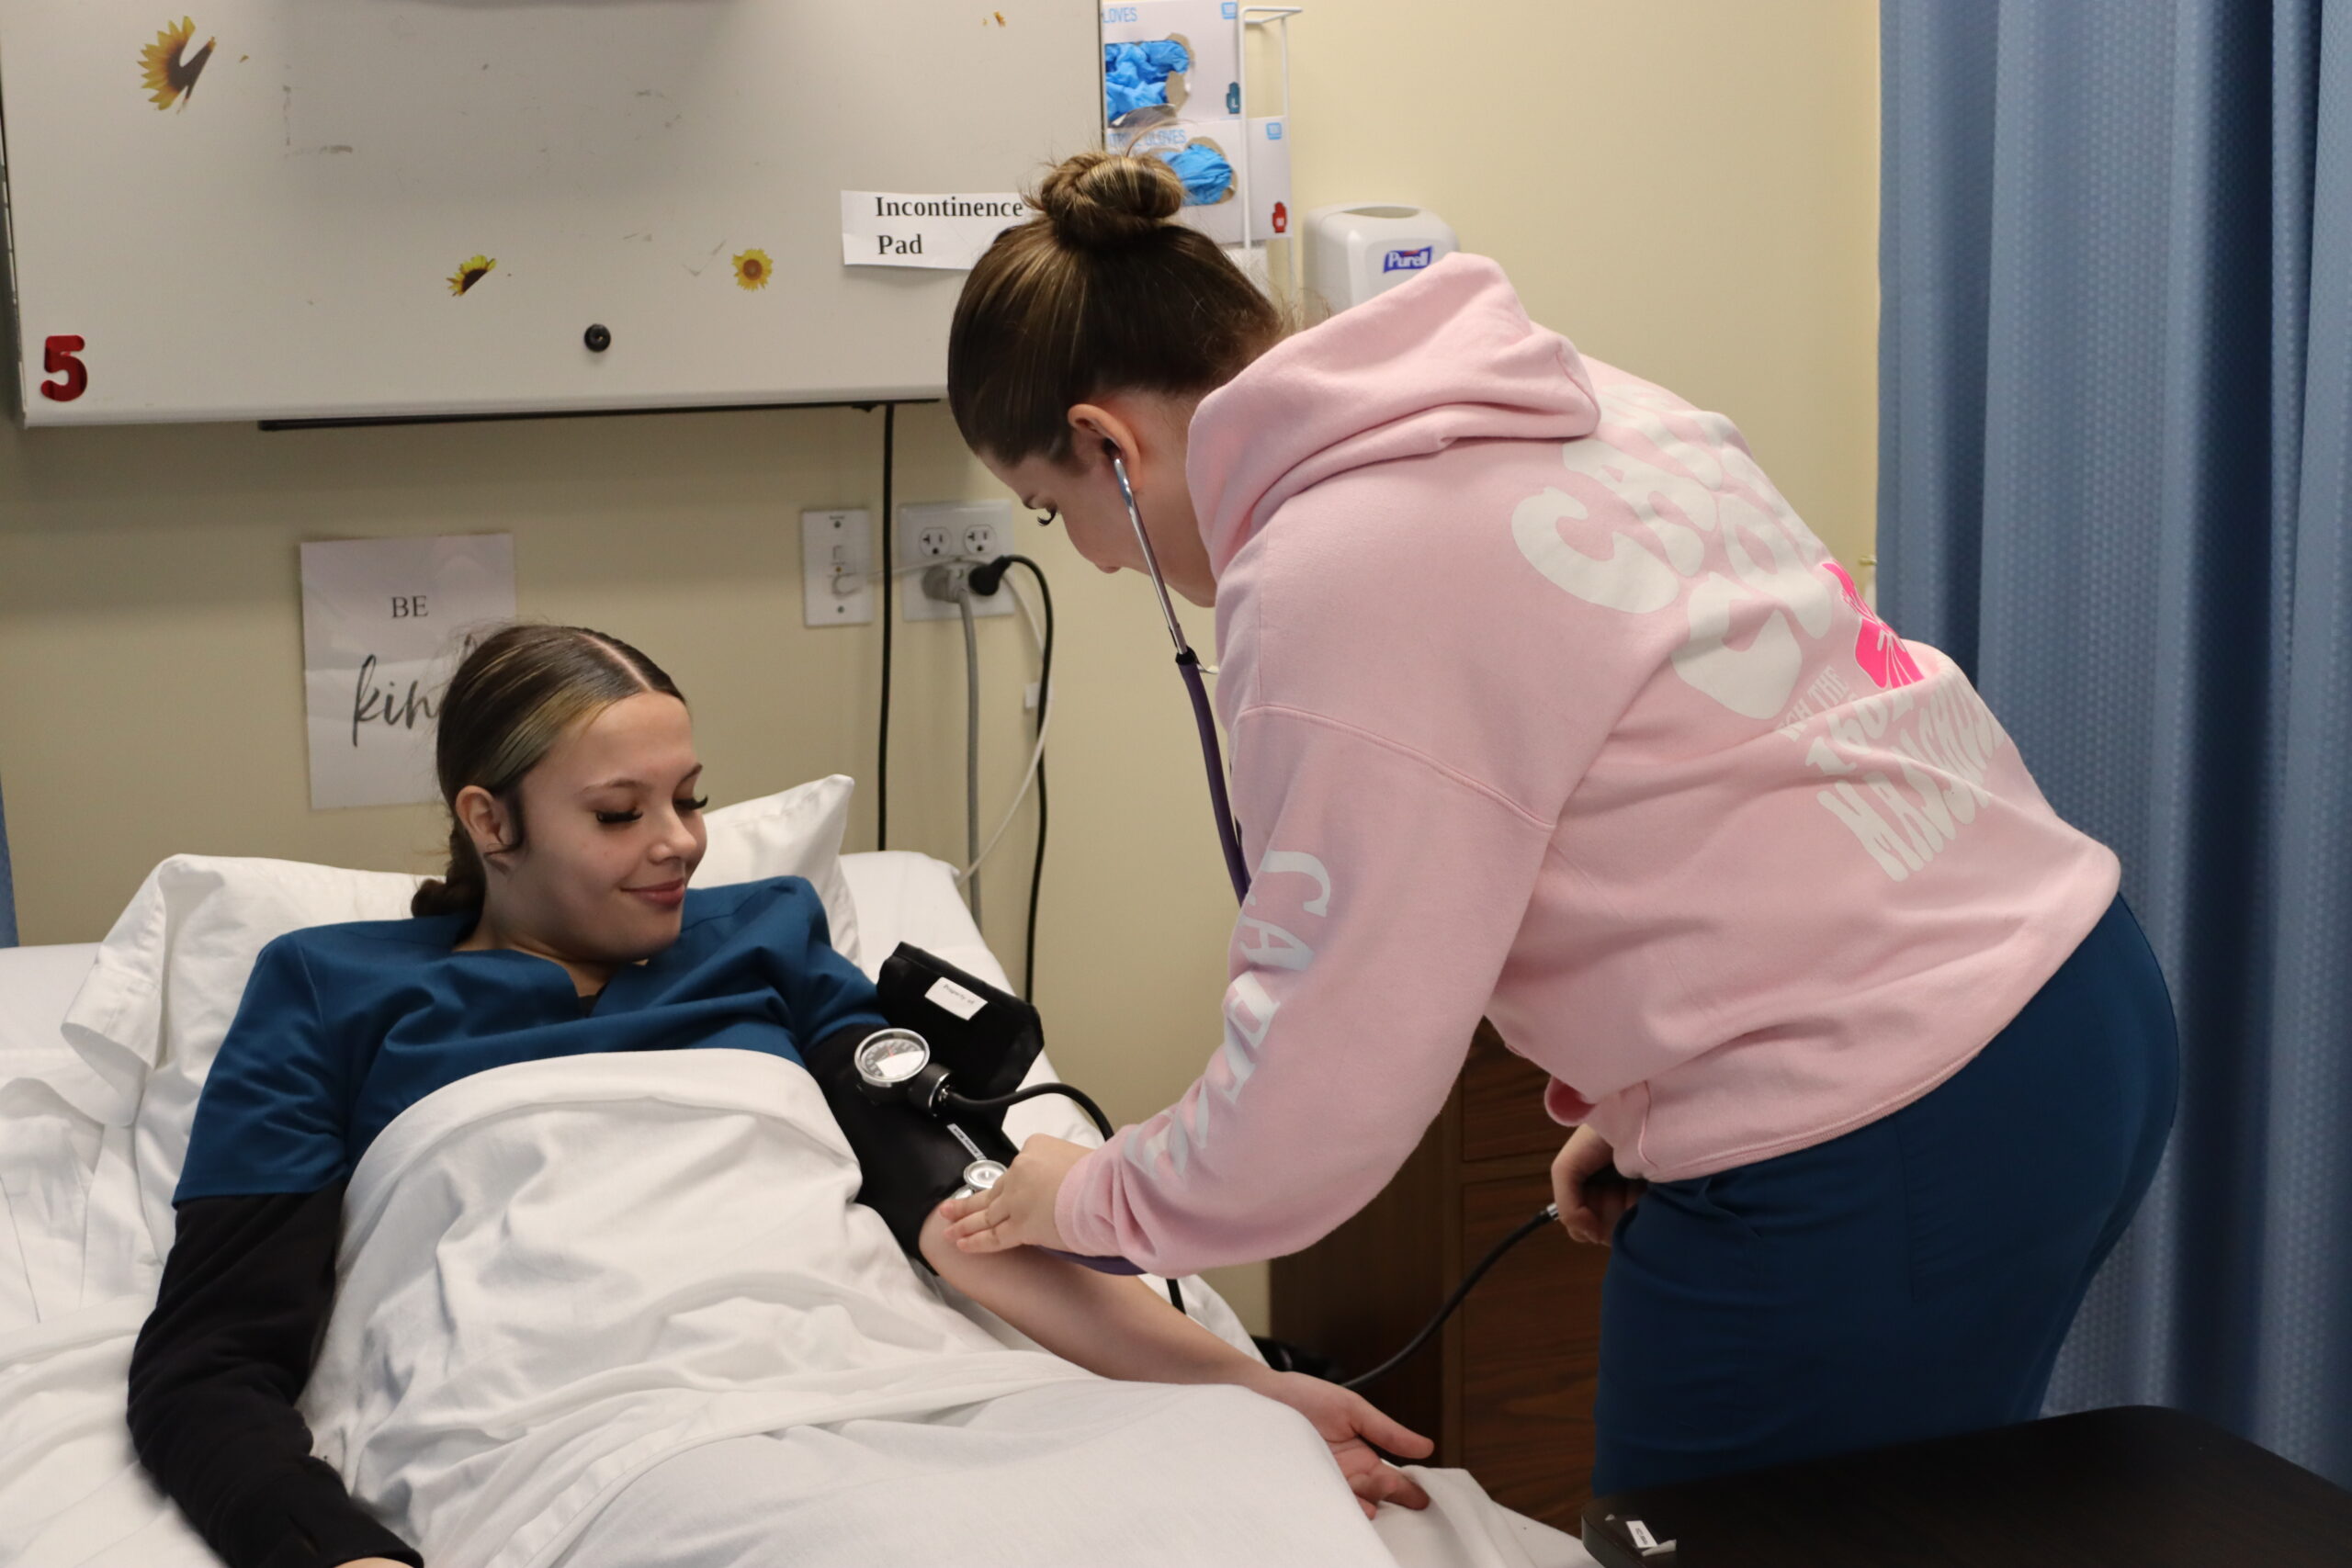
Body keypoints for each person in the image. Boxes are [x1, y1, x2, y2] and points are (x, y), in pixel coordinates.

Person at [935, 152, 2180, 1495]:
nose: (1100, 559)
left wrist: (1089, 1198)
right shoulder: (1571, 399)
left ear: (1111, 445)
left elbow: (1326, 1084)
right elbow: (1745, 746)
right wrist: (1648, 1095)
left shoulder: (1328, 572)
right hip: (2072, 1013)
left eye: (1059, 512)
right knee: (1912, 1521)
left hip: (1878, 1126)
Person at [127, 623, 1430, 1568]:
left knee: (1225, 1482)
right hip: (603, 1421)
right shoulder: (329, 988)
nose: (681, 841)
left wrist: (1248, 1389)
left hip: (876, 1375)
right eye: (620, 812)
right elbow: (210, 1360)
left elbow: (958, 1225)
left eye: (689, 798)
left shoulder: (766, 939)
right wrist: (337, 1555)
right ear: (491, 820)